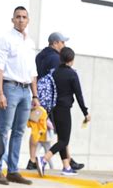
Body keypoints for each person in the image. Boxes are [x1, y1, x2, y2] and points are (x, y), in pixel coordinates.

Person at [0, 6, 39, 186]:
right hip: (10, 89)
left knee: (19, 132)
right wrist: (0, 93)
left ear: (28, 20)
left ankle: (12, 171)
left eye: (24, 17)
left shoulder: (30, 42)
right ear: (12, 19)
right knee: (3, 131)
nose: (21, 19)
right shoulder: (5, 39)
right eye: (18, 17)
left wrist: (35, 95)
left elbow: (33, 71)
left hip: (26, 91)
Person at [28, 32, 84, 171]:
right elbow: (57, 81)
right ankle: (67, 162)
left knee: (36, 127)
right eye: (62, 42)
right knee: (62, 133)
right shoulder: (56, 58)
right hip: (53, 101)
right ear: (55, 43)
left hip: (38, 97)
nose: (64, 45)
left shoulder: (40, 56)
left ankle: (32, 159)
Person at [36, 47, 90, 177]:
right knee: (64, 141)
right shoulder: (72, 74)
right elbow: (79, 95)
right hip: (64, 110)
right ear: (71, 60)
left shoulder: (54, 72)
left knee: (62, 139)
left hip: (54, 110)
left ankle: (66, 167)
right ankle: (44, 159)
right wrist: (85, 112)